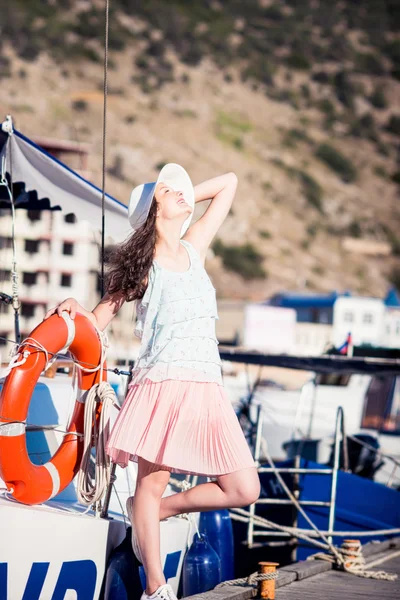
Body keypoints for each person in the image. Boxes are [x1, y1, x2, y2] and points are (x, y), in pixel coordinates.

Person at [44, 163, 260, 600]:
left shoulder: (194, 246)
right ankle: (155, 587)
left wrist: (177, 196)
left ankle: (157, 512)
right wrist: (74, 311)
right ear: (151, 208)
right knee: (151, 480)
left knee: (244, 488)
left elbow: (229, 184)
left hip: (207, 384)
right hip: (162, 380)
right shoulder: (141, 267)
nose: (180, 193)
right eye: (168, 189)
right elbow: (100, 317)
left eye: (178, 188)